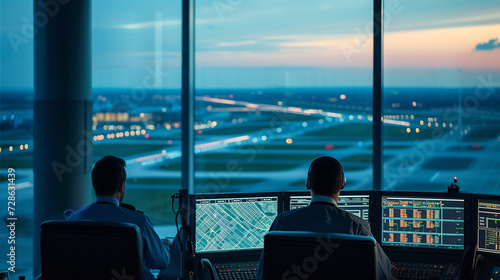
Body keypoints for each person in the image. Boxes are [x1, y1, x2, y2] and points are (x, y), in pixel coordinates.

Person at [256, 156, 393, 280]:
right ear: (342, 183)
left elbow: (263, 275)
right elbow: (383, 275)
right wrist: (383, 264)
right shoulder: (357, 226)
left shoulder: (281, 222)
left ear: (308, 182)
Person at [68, 155, 170, 280]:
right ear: (121, 187)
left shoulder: (73, 221)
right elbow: (161, 262)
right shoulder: (138, 221)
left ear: (94, 185)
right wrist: (162, 246)